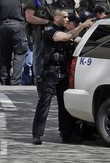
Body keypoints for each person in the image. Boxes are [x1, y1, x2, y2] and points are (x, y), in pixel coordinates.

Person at [32, 8, 94, 145]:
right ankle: (37, 134)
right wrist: (82, 25)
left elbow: (80, 40)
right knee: (44, 104)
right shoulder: (49, 31)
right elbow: (65, 37)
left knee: (65, 106)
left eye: (68, 18)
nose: (67, 20)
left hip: (64, 72)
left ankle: (67, 134)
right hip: (50, 73)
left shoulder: (68, 32)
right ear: (56, 18)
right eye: (65, 17)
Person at [22, 0, 54, 81]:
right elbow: (30, 18)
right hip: (38, 33)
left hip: (51, 32)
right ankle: (39, 78)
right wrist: (48, 21)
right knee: (38, 55)